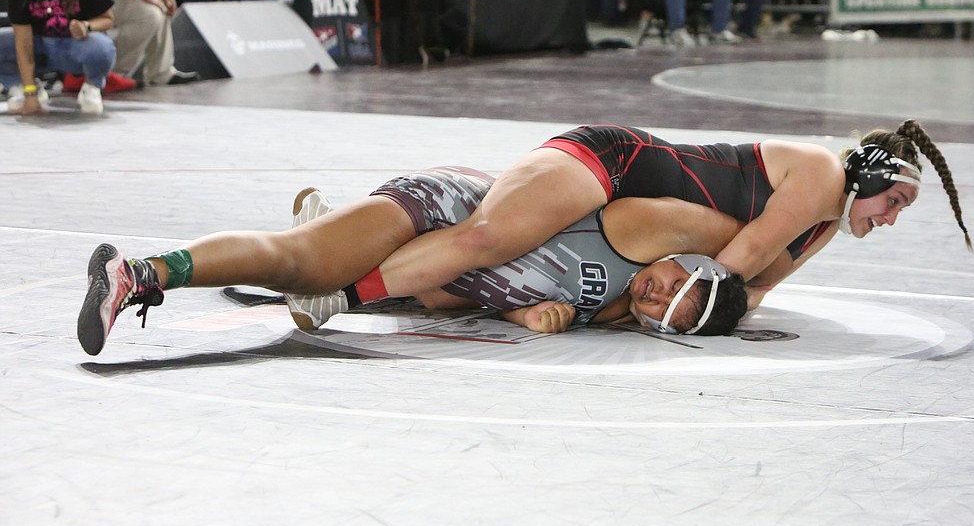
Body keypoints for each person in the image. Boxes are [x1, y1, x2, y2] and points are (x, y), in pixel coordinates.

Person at [282, 122, 971, 332]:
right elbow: (737, 264)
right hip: (618, 165)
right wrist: (683, 312)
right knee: (483, 234)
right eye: (896, 204)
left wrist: (687, 311)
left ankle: (338, 236)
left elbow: (750, 291)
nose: (891, 221)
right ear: (874, 180)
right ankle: (335, 284)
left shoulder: (819, 228)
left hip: (628, 221)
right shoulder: (822, 176)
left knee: (474, 267)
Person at [77, 169, 751, 356]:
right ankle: (137, 274)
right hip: (448, 211)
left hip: (433, 272)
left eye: (669, 311)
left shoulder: (603, 313)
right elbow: (486, 246)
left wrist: (514, 308)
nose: (660, 293)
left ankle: (335, 236)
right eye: (677, 281)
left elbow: (452, 293)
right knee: (299, 266)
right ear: (684, 258)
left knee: (349, 278)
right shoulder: (639, 227)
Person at [1, 0, 116, 115]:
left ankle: (91, 87)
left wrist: (87, 26)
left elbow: (108, 19)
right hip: (37, 45)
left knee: (104, 47)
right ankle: (22, 85)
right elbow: (23, 42)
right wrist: (30, 96)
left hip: (74, 47)